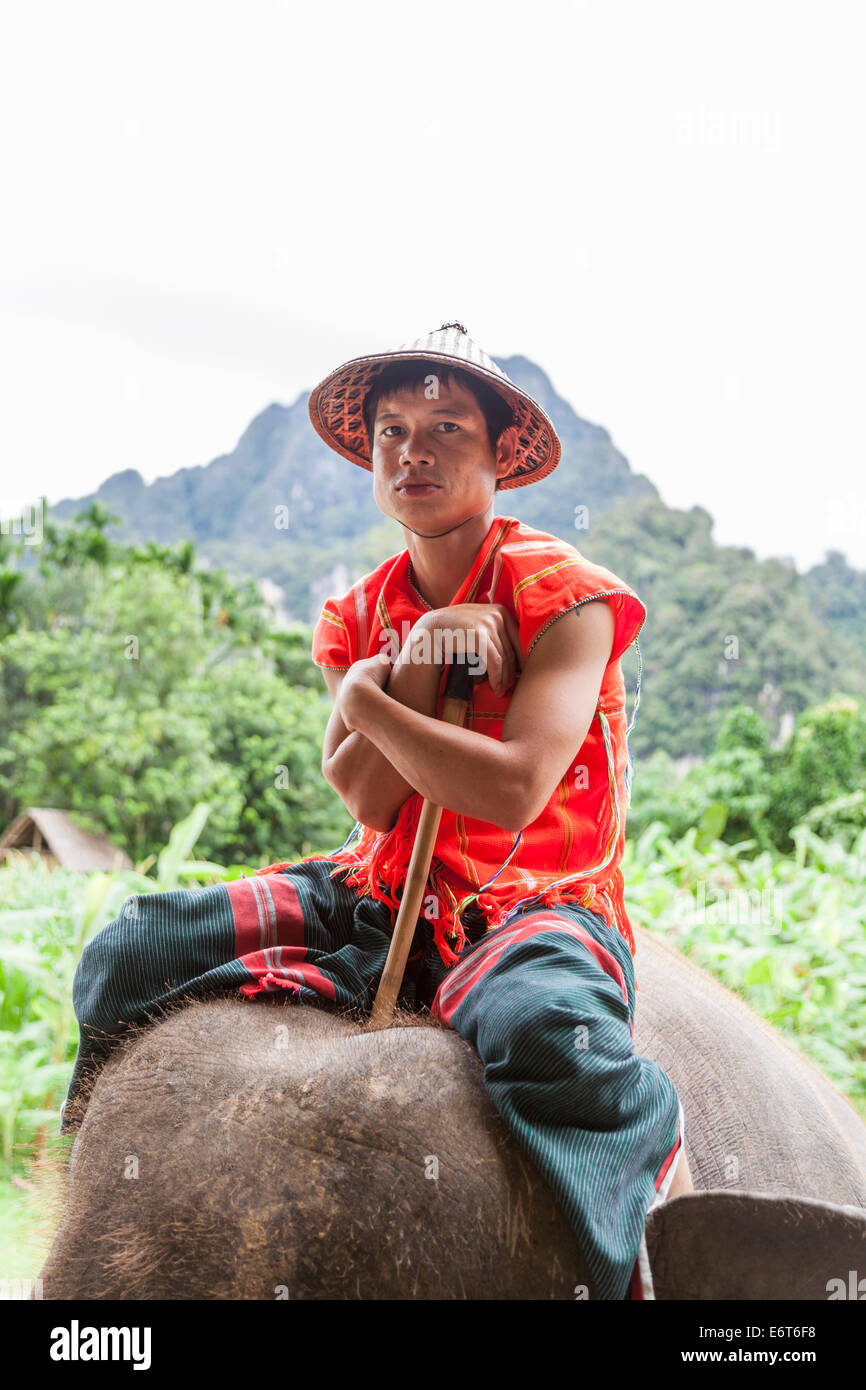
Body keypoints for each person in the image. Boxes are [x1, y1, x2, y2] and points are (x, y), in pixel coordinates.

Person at [63, 322, 690, 1301]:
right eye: (392, 431)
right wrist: (387, 675)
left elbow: (512, 785)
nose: (414, 450)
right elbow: (364, 794)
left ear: (497, 457)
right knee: (126, 949)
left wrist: (365, 704)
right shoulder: (360, 612)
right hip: (376, 882)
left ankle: (665, 1247)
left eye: (446, 427)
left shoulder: (568, 600)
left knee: (548, 1034)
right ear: (369, 458)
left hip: (528, 901)